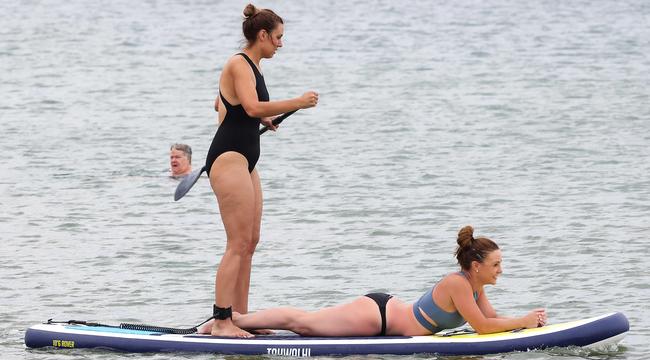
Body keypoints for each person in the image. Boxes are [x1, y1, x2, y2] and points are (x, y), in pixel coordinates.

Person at [199, 226, 547, 337]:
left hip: (387, 314)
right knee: (302, 323)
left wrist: (527, 325)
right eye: (497, 264)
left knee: (304, 322)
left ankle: (237, 321)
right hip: (377, 316)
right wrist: (524, 321)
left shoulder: (475, 286)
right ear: (475, 265)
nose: (501, 269)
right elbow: (484, 328)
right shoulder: (457, 283)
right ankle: (228, 321)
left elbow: (491, 320)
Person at [204, 3, 319, 337]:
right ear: (263, 35)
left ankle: (240, 317)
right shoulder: (238, 63)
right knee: (236, 243)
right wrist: (296, 102)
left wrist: (262, 118)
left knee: (251, 242)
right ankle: (222, 320)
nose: (281, 44)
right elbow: (250, 105)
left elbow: (223, 103)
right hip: (228, 158)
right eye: (278, 38)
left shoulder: (252, 67)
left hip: (246, 160)